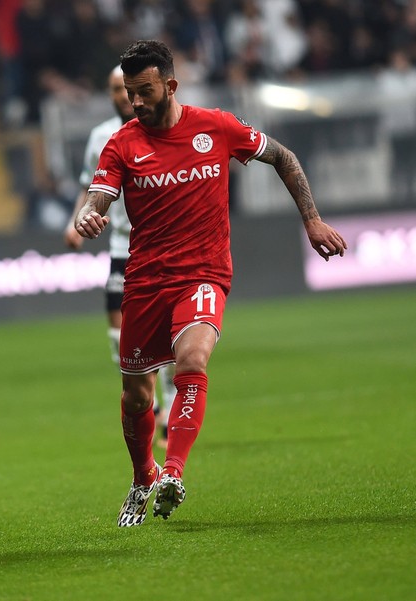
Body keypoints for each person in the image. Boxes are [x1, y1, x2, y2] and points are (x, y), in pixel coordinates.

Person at [75, 40, 347, 527]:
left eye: (144, 91)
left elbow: (284, 158)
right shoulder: (122, 143)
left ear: (171, 85)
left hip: (204, 273)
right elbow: (97, 197)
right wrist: (90, 217)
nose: (135, 103)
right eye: (129, 93)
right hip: (145, 281)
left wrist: (312, 220)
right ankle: (142, 477)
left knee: (193, 359)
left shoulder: (217, 127)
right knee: (137, 396)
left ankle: (173, 472)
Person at [64, 65, 176, 449]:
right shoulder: (101, 137)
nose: (122, 97)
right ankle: (156, 408)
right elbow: (87, 187)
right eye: (115, 90)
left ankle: (173, 406)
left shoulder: (163, 128)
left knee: (170, 336)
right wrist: (74, 221)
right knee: (119, 336)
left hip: (160, 247)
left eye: (124, 89)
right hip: (120, 246)